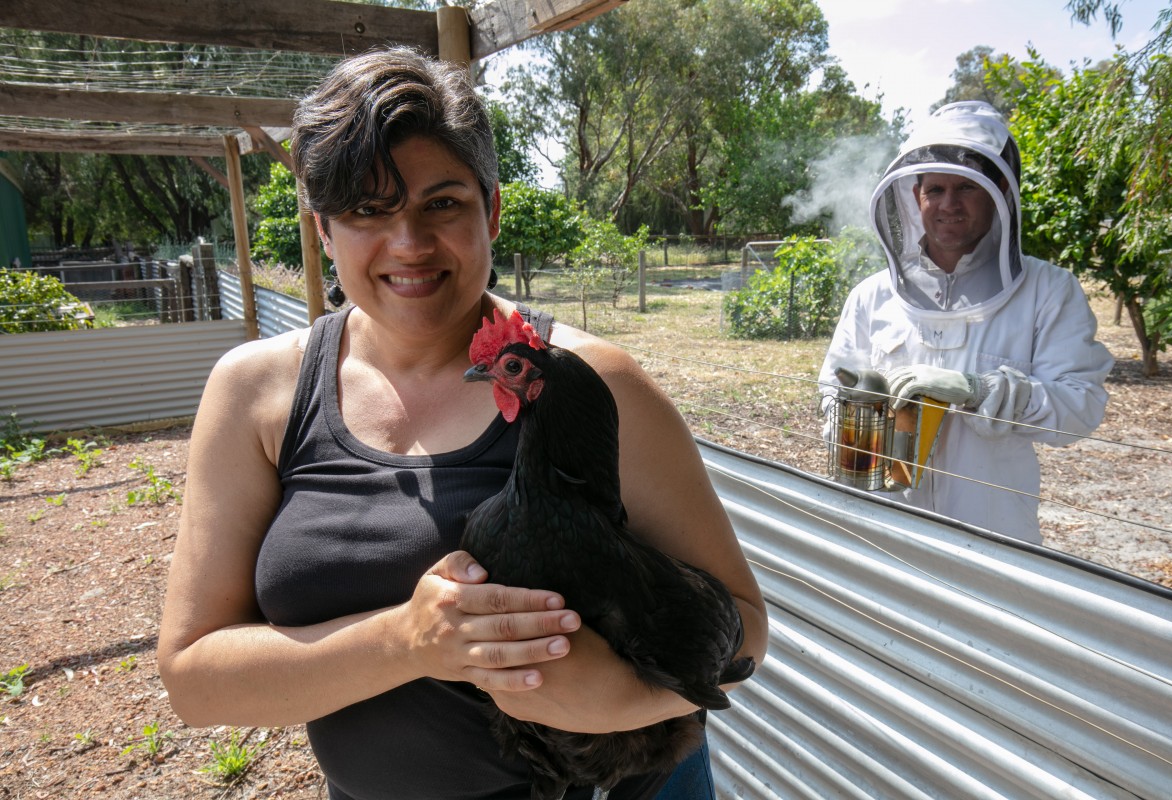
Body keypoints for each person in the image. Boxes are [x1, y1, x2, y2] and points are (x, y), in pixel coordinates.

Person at [156, 46, 767, 800]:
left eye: (441, 203)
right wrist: (407, 642)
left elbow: (743, 627)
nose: (409, 243)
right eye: (366, 211)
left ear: (493, 210)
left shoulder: (594, 384)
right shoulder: (255, 392)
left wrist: (617, 697)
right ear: (321, 230)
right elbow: (194, 681)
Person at [818, 101, 1113, 544]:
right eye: (934, 189)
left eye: (966, 189)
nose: (948, 205)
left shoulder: (1049, 291)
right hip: (885, 525)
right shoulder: (872, 295)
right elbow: (830, 392)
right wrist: (853, 406)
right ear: (913, 196)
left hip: (994, 534)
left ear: (998, 193)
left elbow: (1080, 409)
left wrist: (981, 391)